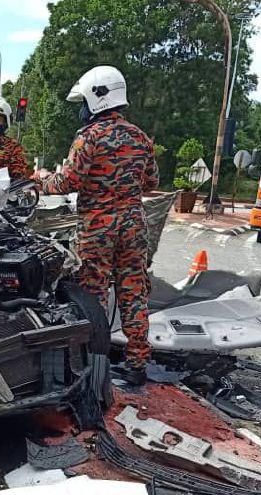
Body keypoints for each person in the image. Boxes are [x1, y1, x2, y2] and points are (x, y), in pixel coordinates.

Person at [35, 66, 159, 386]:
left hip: (97, 228)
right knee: (134, 292)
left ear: (96, 98)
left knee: (93, 293)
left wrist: (41, 183)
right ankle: (136, 364)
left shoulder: (89, 137)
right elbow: (152, 181)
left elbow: (69, 180)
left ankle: (95, 362)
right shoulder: (141, 138)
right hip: (134, 225)